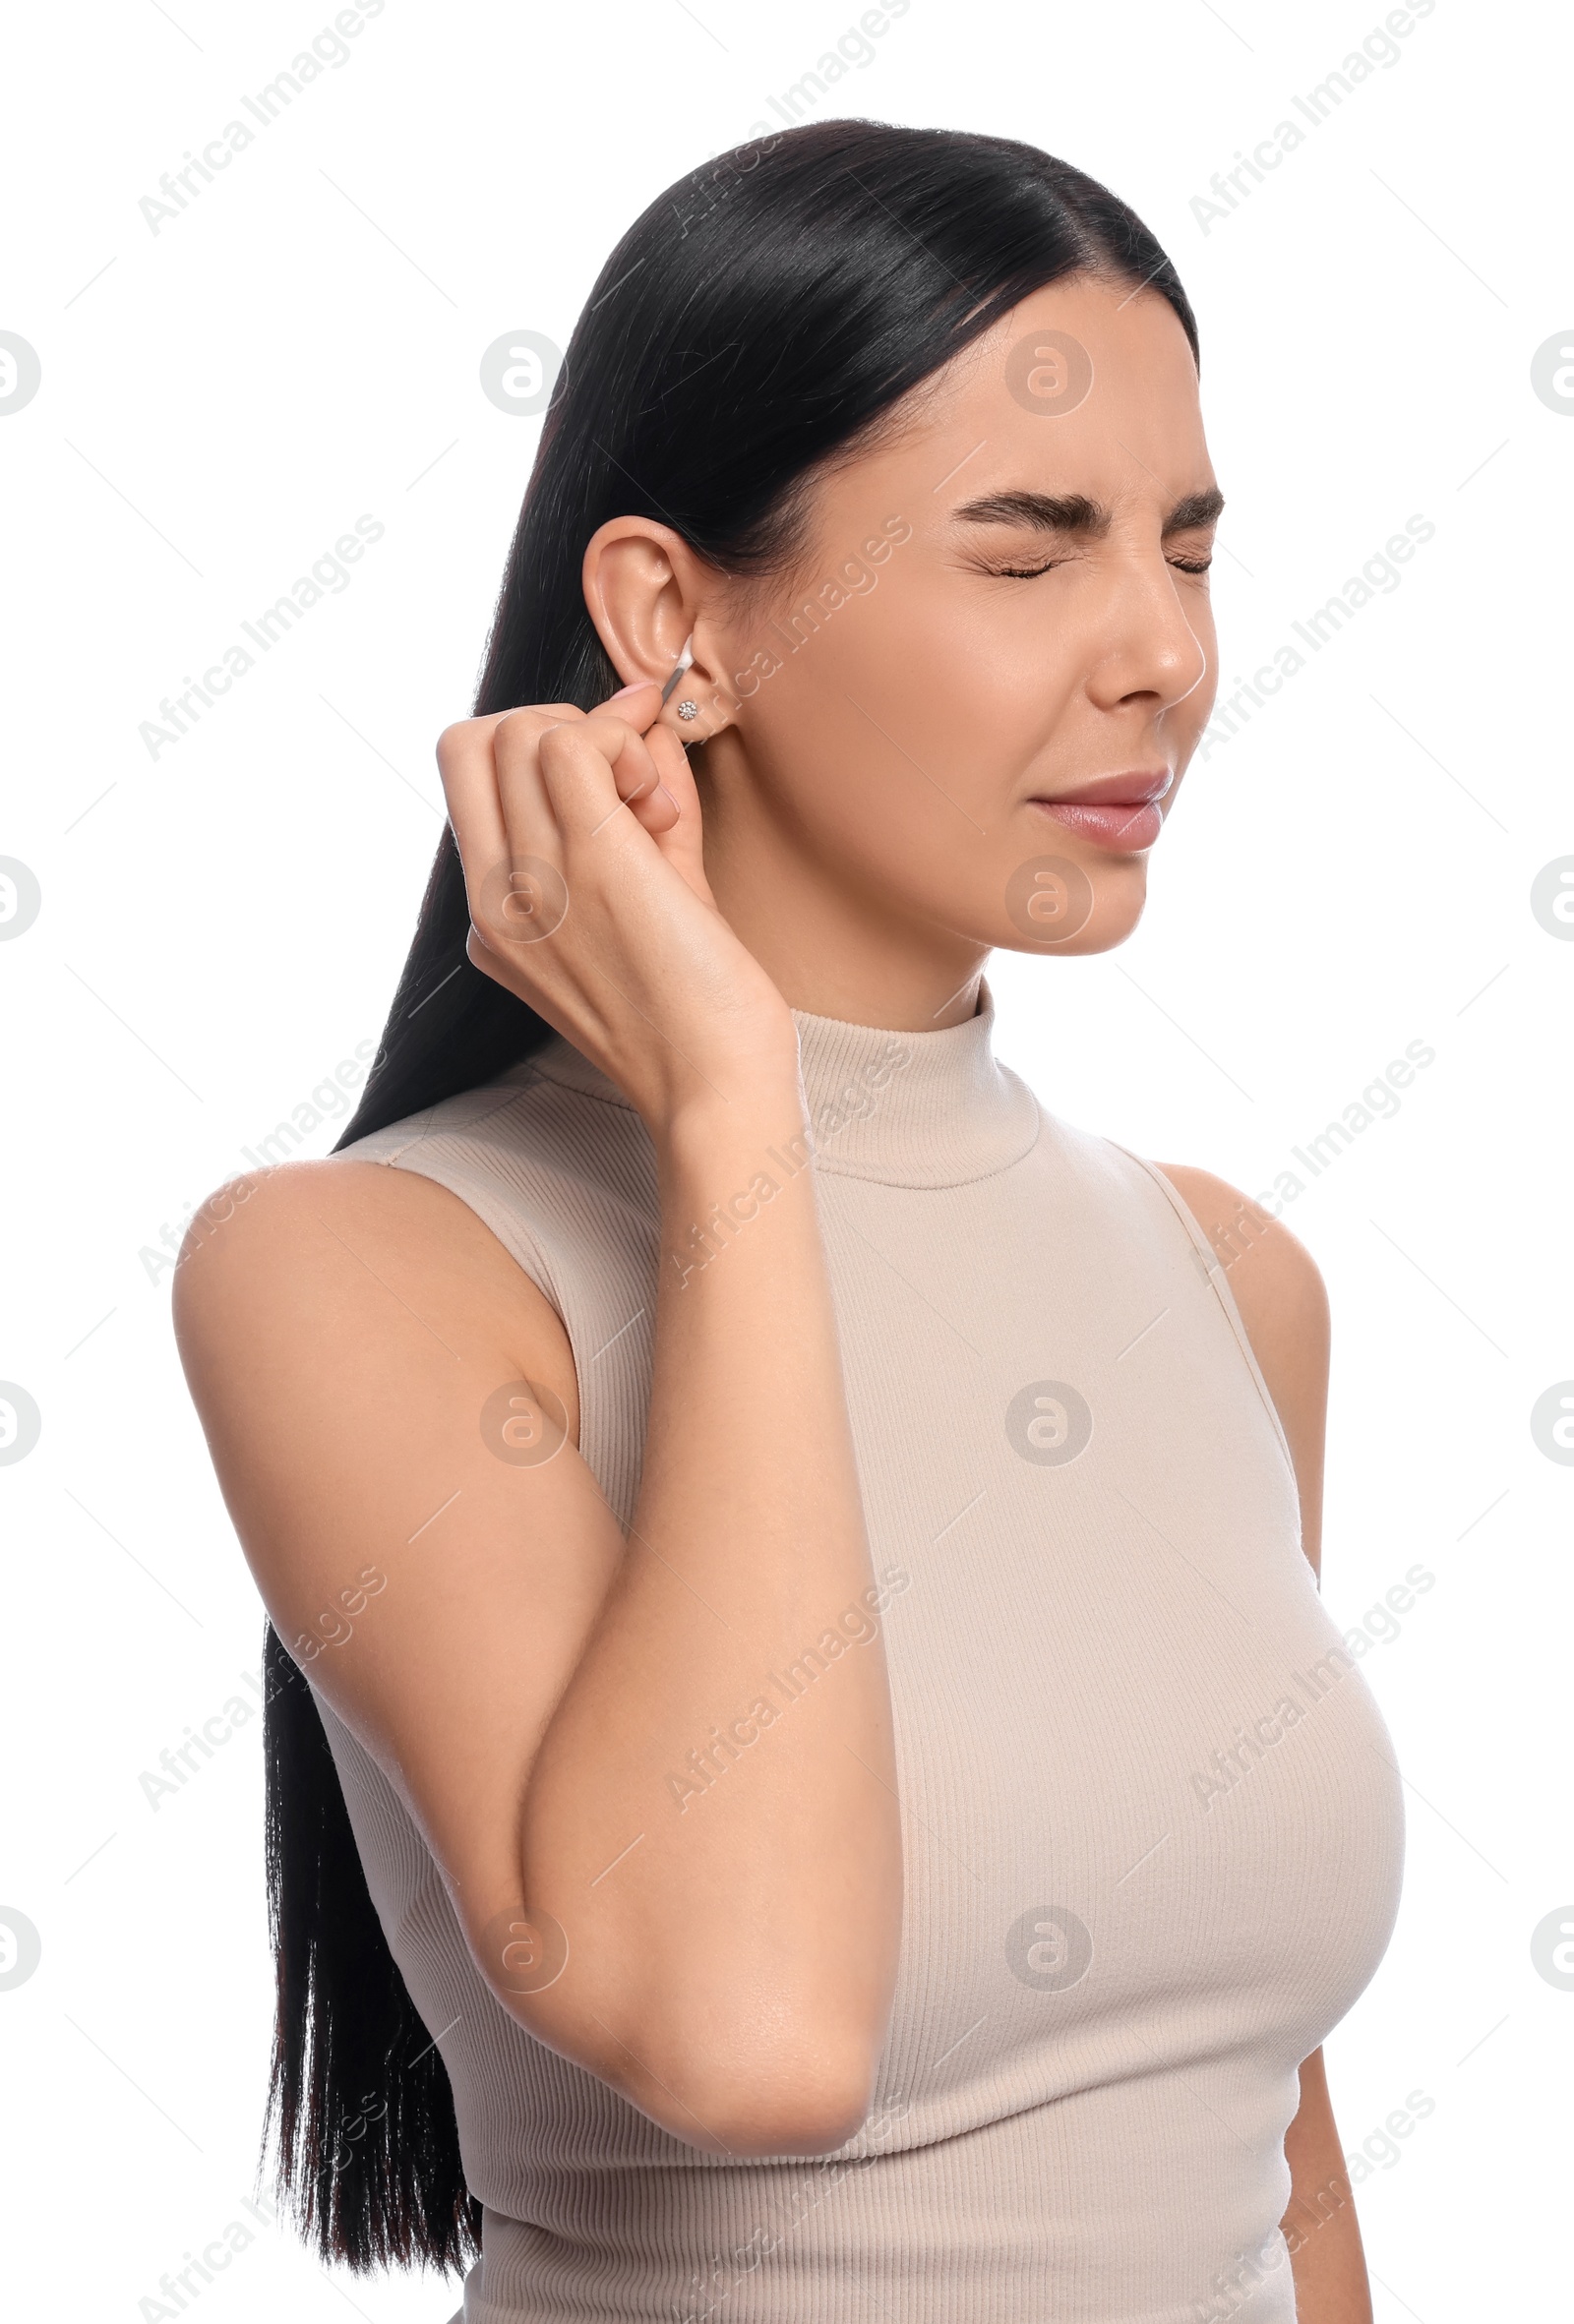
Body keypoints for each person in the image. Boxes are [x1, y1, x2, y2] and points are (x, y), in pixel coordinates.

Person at [174, 119, 1404, 2324]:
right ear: (672, 621)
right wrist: (732, 1114)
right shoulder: (363, 1271)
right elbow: (742, 2029)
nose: (1159, 656)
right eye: (1027, 557)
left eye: (1189, 552)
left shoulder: (1229, 1287)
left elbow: (1272, 2163)